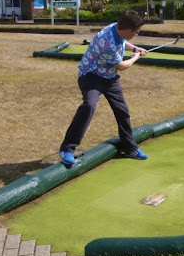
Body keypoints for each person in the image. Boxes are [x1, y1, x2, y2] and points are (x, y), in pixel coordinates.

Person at [59, 11, 149, 165]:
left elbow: (123, 42)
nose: (137, 33)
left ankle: (130, 148)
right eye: (136, 31)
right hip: (91, 77)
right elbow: (122, 66)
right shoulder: (107, 42)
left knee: (122, 111)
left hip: (110, 78)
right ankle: (67, 149)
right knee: (89, 106)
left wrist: (135, 49)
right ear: (128, 30)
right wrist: (136, 57)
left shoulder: (116, 27)